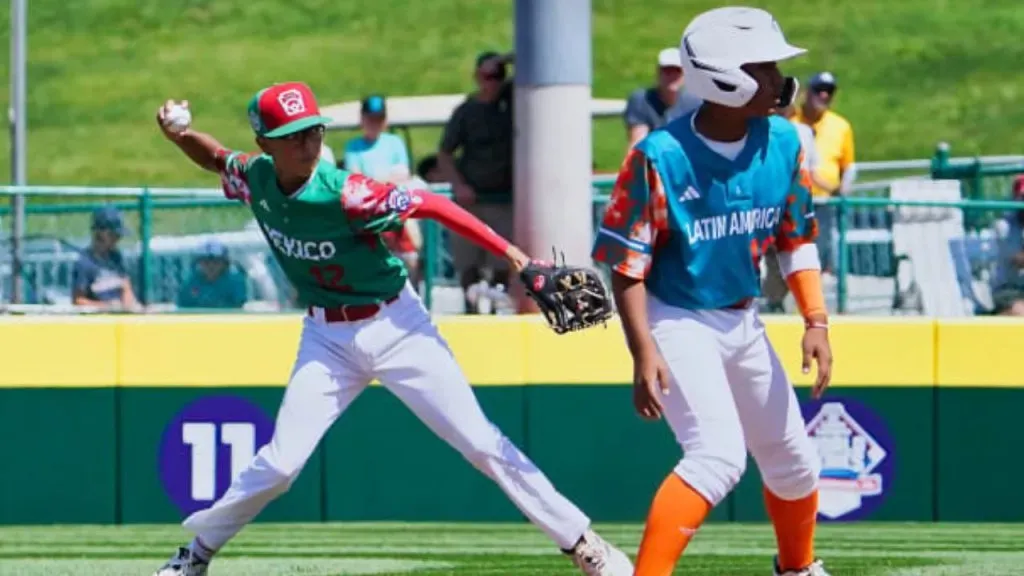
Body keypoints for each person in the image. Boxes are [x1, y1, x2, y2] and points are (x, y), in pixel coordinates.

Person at [151, 82, 633, 576]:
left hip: (395, 324)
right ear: (265, 145)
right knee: (280, 465)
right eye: (293, 135)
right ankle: (195, 555)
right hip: (326, 337)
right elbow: (214, 157)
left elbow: (432, 206)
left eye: (313, 131)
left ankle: (584, 545)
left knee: (480, 443)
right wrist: (178, 135)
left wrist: (516, 256)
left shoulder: (346, 192)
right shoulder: (256, 177)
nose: (308, 143)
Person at [591, 8, 833, 576]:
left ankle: (797, 569)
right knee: (717, 457)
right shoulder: (659, 156)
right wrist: (642, 349)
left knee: (796, 462)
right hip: (676, 314)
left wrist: (816, 320)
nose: (777, 78)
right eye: (763, 67)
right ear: (724, 79)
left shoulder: (784, 142)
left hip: (742, 318)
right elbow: (626, 265)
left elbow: (795, 239)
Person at [438, 51, 515, 313]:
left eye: (497, 77)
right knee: (468, 265)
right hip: (471, 200)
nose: (491, 82)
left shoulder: (513, 101)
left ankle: (494, 311)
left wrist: (504, 60)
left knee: (502, 264)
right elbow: (445, 154)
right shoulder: (466, 111)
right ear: (476, 77)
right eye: (486, 76)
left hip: (504, 199)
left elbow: (535, 57)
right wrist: (459, 186)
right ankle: (471, 311)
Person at [343, 95, 422, 286]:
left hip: (396, 210)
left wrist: (375, 181)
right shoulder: (353, 148)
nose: (374, 124)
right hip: (368, 214)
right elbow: (356, 179)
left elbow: (403, 174)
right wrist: (385, 179)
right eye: (370, 119)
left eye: (378, 119)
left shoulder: (394, 142)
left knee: (411, 256)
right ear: (362, 119)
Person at [792, 71, 856, 273]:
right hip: (794, 202)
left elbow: (848, 165)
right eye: (819, 90)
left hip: (825, 203)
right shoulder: (792, 123)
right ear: (807, 92)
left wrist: (842, 189)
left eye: (829, 91)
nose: (824, 96)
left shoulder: (840, 126)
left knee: (820, 253)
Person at [624, 47, 703, 149]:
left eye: (677, 71)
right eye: (667, 71)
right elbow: (638, 141)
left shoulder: (694, 104)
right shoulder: (641, 100)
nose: (672, 76)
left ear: (684, 75)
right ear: (658, 72)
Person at [71, 206, 142, 312]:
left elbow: (126, 289)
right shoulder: (84, 263)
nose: (118, 239)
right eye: (114, 235)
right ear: (100, 233)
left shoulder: (116, 258)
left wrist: (130, 306)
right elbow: (78, 301)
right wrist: (106, 306)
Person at [176, 239, 248, 309]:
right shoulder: (190, 282)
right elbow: (182, 307)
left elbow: (238, 306)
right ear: (199, 263)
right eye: (206, 262)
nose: (211, 266)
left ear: (225, 264)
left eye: (216, 262)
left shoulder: (235, 281)